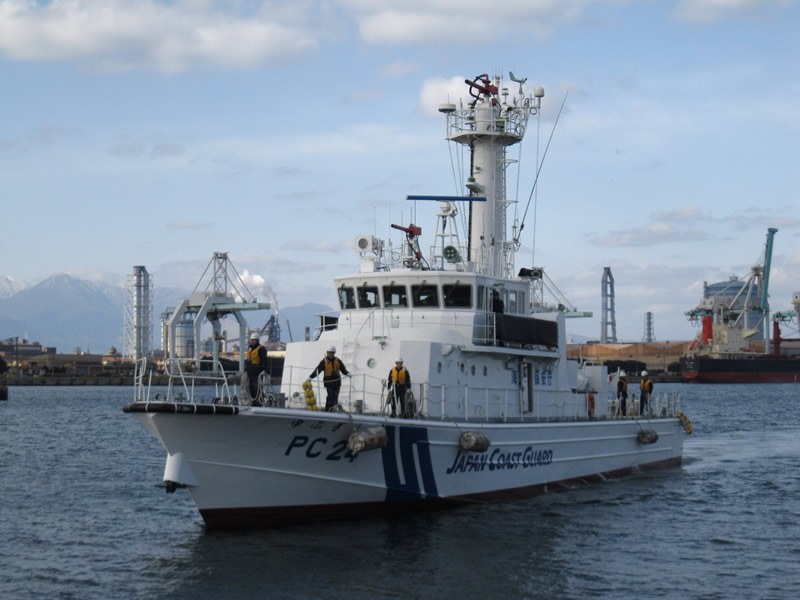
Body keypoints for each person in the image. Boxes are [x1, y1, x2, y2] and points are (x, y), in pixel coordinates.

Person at [308, 346, 350, 411]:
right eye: (328, 353)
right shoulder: (324, 361)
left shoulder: (338, 361)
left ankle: (333, 408)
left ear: (334, 353)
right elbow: (318, 370)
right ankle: (328, 408)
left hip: (337, 382)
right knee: (331, 395)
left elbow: (343, 369)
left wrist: (347, 373)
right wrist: (310, 377)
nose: (329, 354)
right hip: (329, 382)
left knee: (336, 396)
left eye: (331, 353)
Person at [246, 333, 267, 404]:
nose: (252, 341)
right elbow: (248, 361)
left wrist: (263, 370)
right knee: (251, 388)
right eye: (251, 340)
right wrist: (246, 370)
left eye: (253, 340)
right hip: (250, 372)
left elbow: (264, 360)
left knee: (257, 388)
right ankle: (253, 401)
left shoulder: (261, 349)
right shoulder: (250, 349)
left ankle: (259, 401)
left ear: (257, 340)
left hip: (257, 372)